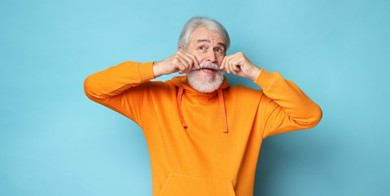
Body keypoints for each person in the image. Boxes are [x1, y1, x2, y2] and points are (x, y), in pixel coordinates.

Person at [84, 16, 322, 196]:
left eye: (218, 49)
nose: (211, 56)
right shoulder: (154, 100)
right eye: (202, 47)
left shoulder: (252, 105)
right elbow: (94, 87)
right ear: (182, 52)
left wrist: (257, 74)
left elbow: (309, 115)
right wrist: (158, 68)